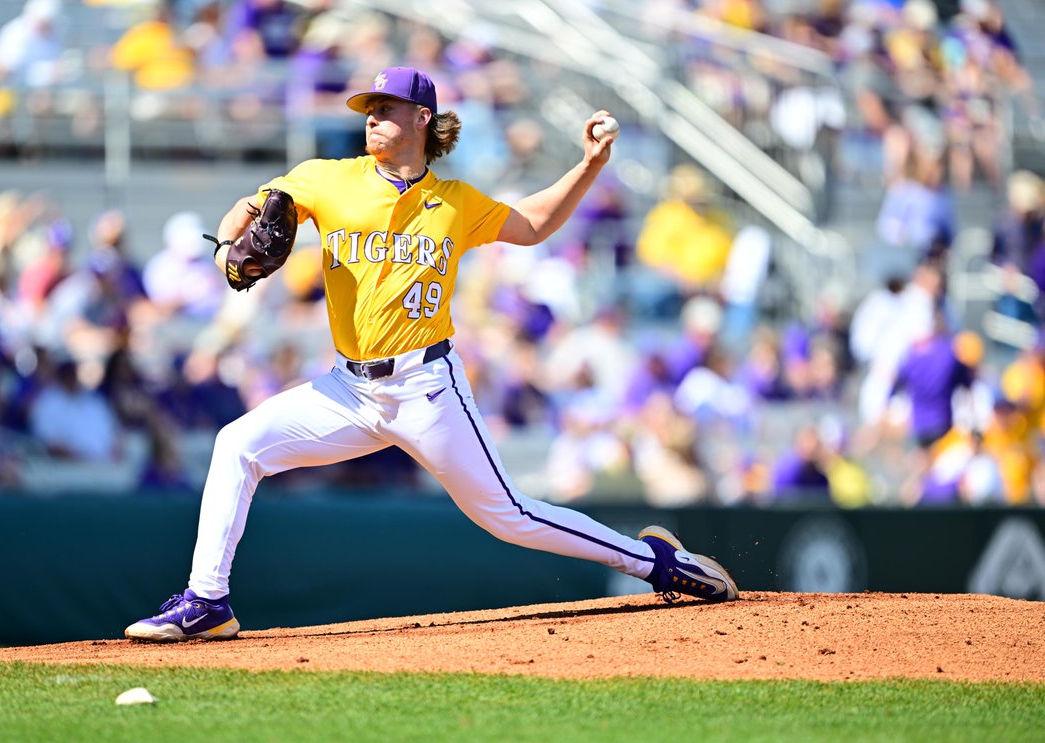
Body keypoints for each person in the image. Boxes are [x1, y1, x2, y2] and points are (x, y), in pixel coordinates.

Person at [125, 67, 738, 643]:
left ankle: (657, 563)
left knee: (509, 516)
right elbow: (253, 207)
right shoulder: (327, 178)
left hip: (427, 390)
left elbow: (531, 224)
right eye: (367, 109)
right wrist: (228, 244)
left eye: (385, 109)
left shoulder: (454, 202)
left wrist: (589, 164)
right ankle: (207, 602)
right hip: (348, 389)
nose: (370, 119)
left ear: (422, 118)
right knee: (237, 444)